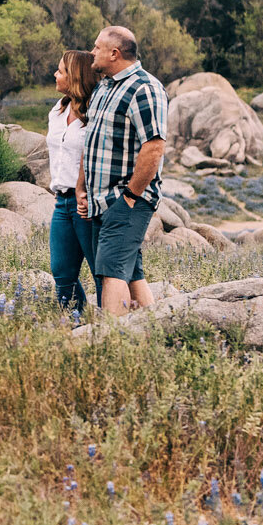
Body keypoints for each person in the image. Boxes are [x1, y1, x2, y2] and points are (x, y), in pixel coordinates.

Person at [79, 24, 168, 317]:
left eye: (97, 47)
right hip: (100, 199)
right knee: (130, 270)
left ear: (114, 53)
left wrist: (130, 197)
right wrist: (83, 188)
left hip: (126, 198)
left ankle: (112, 342)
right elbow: (92, 138)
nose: (92, 52)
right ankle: (155, 329)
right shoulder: (105, 86)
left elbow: (154, 147)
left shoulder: (145, 88)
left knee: (111, 270)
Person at [46, 49, 100, 311]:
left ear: (76, 77)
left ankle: (109, 324)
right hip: (61, 202)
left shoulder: (95, 116)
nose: (55, 75)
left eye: (61, 71)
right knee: (61, 272)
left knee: (100, 270)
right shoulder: (56, 111)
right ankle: (74, 320)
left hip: (87, 205)